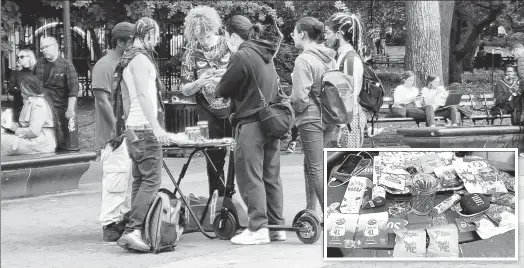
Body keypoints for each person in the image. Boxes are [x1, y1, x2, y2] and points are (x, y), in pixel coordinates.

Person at [217, 14, 285, 245]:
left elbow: (223, 88)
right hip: (271, 122)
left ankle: (258, 228)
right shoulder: (265, 54)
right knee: (271, 176)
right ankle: (276, 226)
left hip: (251, 123)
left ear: (234, 36)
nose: (225, 40)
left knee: (250, 177)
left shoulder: (242, 56)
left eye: (226, 36)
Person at [115, 17, 169, 252]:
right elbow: (143, 96)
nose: (156, 42)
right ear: (146, 35)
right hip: (144, 128)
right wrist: (156, 126)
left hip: (134, 127)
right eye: (155, 36)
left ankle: (135, 229)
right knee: (152, 180)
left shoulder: (129, 57)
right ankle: (133, 230)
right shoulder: (138, 59)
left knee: (140, 179)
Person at [180, 6, 232, 197]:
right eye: (200, 38)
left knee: (238, 155)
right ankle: (217, 201)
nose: (204, 42)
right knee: (213, 157)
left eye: (207, 37)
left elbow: (244, 77)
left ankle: (235, 201)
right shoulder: (191, 51)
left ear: (215, 30)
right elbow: (185, 89)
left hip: (232, 109)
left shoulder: (229, 45)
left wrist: (224, 77)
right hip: (207, 110)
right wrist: (200, 81)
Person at [92, 22, 135, 242]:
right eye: (130, 41)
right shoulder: (104, 65)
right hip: (114, 135)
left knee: (126, 177)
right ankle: (109, 222)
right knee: (116, 179)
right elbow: (102, 100)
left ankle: (121, 218)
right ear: (119, 41)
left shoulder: (123, 63)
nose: (133, 45)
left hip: (126, 132)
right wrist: (117, 129)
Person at [291, 16, 336, 218]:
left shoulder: (303, 60)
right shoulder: (329, 57)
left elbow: (300, 98)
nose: (292, 36)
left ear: (302, 33)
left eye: (293, 32)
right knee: (311, 163)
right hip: (329, 116)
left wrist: (291, 105)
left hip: (310, 117)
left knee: (316, 166)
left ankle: (331, 215)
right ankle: (311, 211)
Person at [324, 12, 367, 148]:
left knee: (346, 162)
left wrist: (340, 126)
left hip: (348, 121)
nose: (325, 37)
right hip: (344, 120)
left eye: (328, 33)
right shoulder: (342, 56)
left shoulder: (349, 59)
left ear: (339, 34)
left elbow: (348, 95)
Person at [33, 36, 79, 151]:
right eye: (42, 48)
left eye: (45, 47)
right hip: (41, 109)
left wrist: (70, 109)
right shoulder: (39, 64)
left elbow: (73, 90)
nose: (43, 50)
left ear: (55, 47)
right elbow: (32, 85)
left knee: (61, 142)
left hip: (59, 109)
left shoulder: (66, 65)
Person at [1, 75, 57, 156]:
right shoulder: (30, 101)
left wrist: (16, 130)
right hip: (34, 141)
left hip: (39, 144)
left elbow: (34, 131)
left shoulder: (38, 103)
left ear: (29, 88)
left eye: (23, 89)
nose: (21, 92)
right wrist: (10, 125)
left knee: (3, 141)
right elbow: (26, 125)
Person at [8, 50, 37, 123]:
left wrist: (20, 89)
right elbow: (11, 89)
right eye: (18, 57)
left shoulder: (37, 73)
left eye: (22, 57)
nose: (19, 59)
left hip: (34, 107)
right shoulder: (16, 73)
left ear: (29, 58)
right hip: (19, 107)